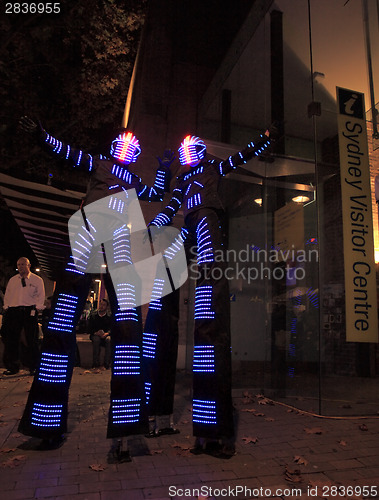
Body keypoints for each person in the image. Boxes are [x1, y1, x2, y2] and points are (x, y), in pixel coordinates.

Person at [17, 117, 173, 456]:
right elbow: (67, 152)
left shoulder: (132, 179)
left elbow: (157, 192)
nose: (128, 149)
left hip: (118, 238)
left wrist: (162, 169)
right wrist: (43, 135)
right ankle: (46, 423)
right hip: (88, 232)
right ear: (115, 149)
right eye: (124, 144)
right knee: (61, 322)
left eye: (134, 148)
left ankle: (126, 426)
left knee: (128, 324)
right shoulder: (99, 164)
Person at [145, 130, 274, 458]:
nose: (187, 155)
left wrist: (263, 139)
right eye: (184, 151)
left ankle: (215, 435)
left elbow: (240, 157)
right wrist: (156, 224)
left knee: (209, 306)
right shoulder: (184, 179)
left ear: (201, 152)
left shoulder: (211, 168)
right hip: (188, 227)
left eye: (192, 150)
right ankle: (203, 434)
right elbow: (169, 204)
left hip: (205, 221)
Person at [1, 257, 45, 376]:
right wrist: (7, 307)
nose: (20, 267)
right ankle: (12, 366)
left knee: (31, 339)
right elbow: (8, 294)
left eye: (23, 264)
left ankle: (33, 366)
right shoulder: (13, 280)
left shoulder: (37, 280)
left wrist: (37, 308)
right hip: (14, 310)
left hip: (29, 310)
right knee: (12, 340)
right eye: (19, 264)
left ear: (28, 266)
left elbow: (41, 295)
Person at [87, 298, 111, 369]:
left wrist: (107, 333)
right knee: (96, 340)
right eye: (100, 304)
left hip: (105, 335)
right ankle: (95, 363)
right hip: (95, 334)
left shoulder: (109, 316)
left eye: (104, 305)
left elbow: (111, 328)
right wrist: (96, 332)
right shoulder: (93, 315)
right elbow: (89, 328)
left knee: (109, 340)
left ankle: (106, 364)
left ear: (107, 307)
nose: (101, 306)